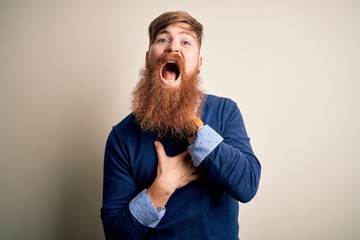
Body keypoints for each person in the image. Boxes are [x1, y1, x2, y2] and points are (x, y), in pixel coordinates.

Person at [100, 11, 261, 240]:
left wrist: (193, 127)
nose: (173, 47)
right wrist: (163, 187)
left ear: (198, 64)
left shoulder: (225, 112)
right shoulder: (122, 136)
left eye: (186, 42)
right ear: (148, 59)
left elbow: (247, 186)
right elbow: (116, 233)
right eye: (163, 39)